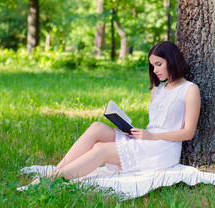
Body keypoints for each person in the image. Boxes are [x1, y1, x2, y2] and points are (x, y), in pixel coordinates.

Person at [30, 41, 201, 185]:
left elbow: (188, 133)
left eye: (158, 64)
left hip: (162, 149)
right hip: (146, 140)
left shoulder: (190, 89)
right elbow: (154, 124)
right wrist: (134, 132)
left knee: (100, 150)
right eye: (152, 66)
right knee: (97, 127)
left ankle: (47, 182)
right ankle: (57, 170)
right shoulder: (157, 90)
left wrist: (151, 137)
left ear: (172, 60)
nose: (155, 70)